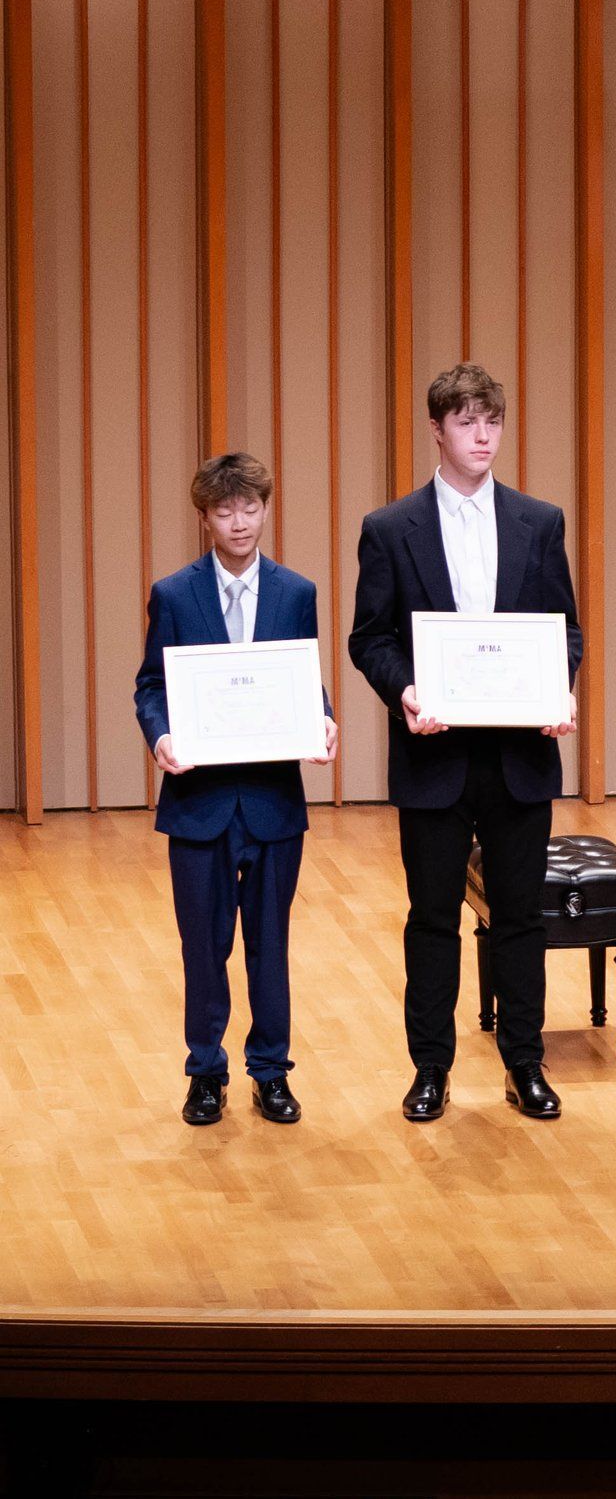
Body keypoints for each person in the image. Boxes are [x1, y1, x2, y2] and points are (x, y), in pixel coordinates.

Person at [350, 362, 583, 1123]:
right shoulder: (389, 528)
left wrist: (560, 689)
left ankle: (525, 1064)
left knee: (521, 916)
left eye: (494, 421)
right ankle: (431, 1070)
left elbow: (563, 631)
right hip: (434, 754)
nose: (483, 436)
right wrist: (407, 690)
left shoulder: (540, 520)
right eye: (467, 422)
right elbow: (369, 638)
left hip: (519, 756)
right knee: (431, 919)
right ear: (437, 430)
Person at [133, 454, 338, 1127]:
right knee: (203, 945)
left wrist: (324, 719)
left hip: (273, 800)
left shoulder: (295, 591)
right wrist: (161, 737)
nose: (240, 521)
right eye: (225, 510)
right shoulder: (172, 593)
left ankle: (272, 1071)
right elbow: (152, 686)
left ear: (266, 508)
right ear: (205, 518)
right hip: (199, 804)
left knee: (269, 944)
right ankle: (205, 1071)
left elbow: (302, 679)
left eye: (251, 506)